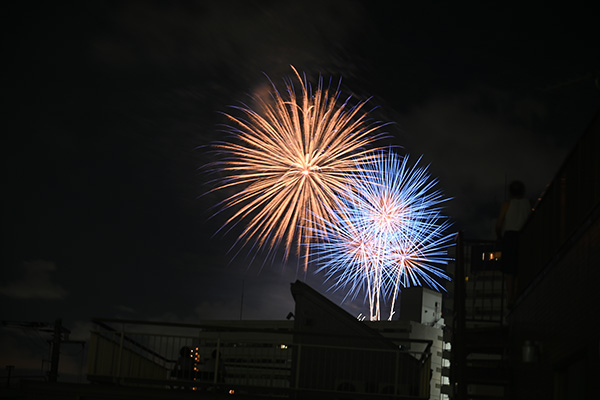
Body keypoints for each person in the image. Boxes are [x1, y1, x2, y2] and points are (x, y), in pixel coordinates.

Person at [496, 180, 531, 307]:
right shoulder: (528, 203)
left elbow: (499, 224)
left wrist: (499, 236)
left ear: (510, 192)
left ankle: (510, 298)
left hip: (509, 236)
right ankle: (517, 296)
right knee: (518, 268)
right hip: (523, 236)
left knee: (509, 270)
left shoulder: (507, 204)